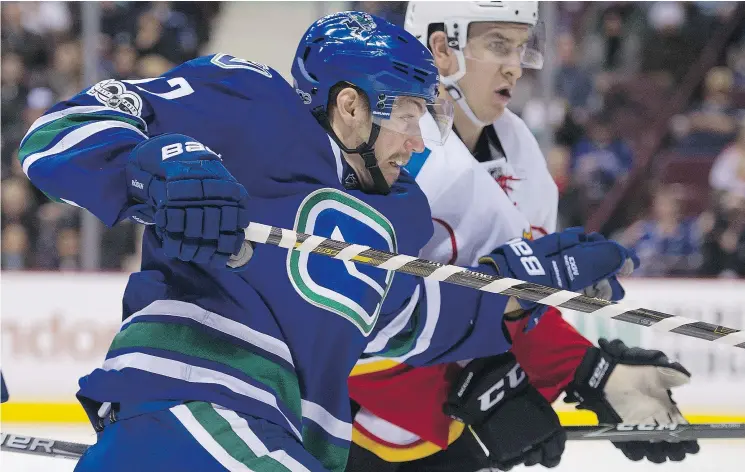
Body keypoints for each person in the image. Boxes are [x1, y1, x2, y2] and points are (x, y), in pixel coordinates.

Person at [20, 11, 634, 472]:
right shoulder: (253, 102)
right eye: (409, 116)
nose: (418, 142)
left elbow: (401, 322)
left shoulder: (395, 214)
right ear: (350, 105)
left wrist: (512, 286)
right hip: (188, 412)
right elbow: (56, 133)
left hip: (282, 441)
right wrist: (160, 166)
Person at [346, 3, 698, 471]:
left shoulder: (520, 152)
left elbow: (514, 307)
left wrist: (590, 371)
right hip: (347, 433)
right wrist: (485, 389)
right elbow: (348, 322)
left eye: (520, 46)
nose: (514, 64)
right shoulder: (385, 151)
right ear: (441, 48)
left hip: (440, 425)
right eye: (497, 44)